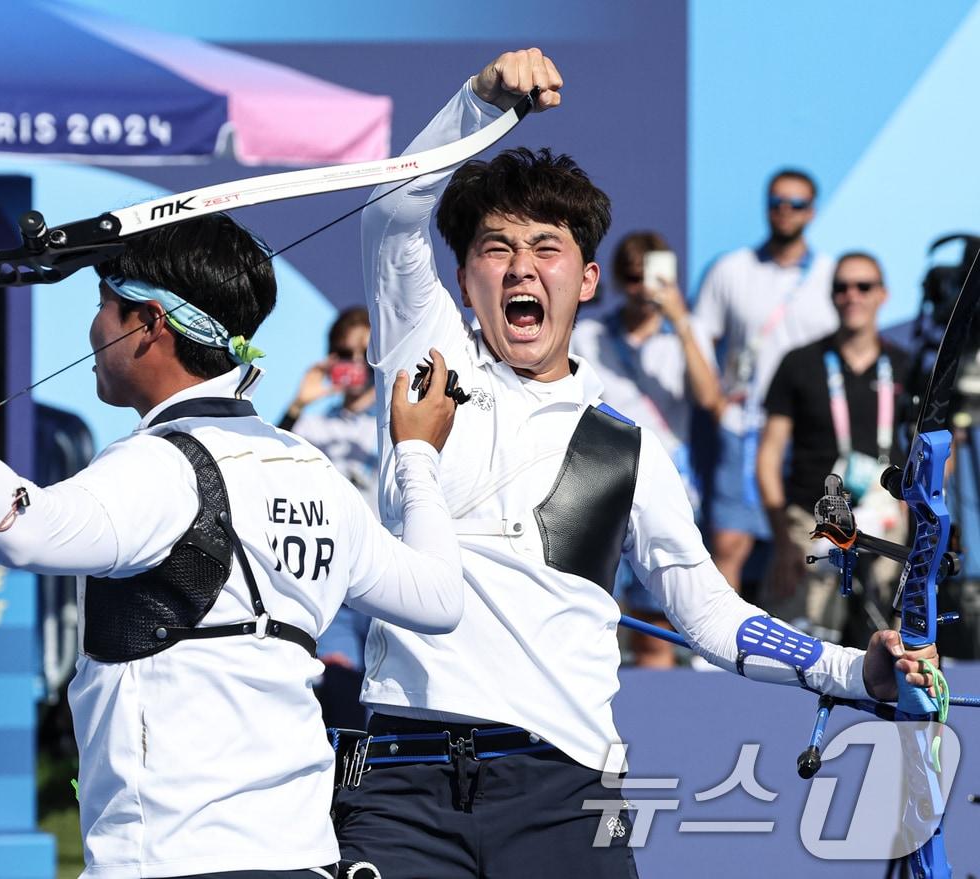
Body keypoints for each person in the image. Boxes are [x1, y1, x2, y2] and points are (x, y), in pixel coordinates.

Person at [337, 48, 940, 879]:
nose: (519, 267)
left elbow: (706, 611)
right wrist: (478, 102)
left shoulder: (628, 442)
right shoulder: (426, 350)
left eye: (545, 248)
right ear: (464, 276)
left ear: (586, 280)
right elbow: (390, 211)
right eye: (495, 247)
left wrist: (851, 669)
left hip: (565, 787)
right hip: (403, 780)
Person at [0, 213, 468, 879]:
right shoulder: (312, 471)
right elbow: (440, 598)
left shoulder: (160, 466)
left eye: (104, 305)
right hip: (301, 857)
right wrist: (417, 453)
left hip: (173, 859)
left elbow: (23, 527)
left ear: (150, 323)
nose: (95, 328)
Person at [571, 231, 722, 667]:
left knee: (654, 628)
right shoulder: (590, 334)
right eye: (632, 277)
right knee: (590, 618)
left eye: (651, 277)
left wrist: (682, 323)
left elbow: (711, 400)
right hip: (595, 484)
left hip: (663, 484)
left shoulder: (684, 339)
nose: (642, 289)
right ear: (615, 280)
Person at [694, 168, 837, 591]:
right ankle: (717, 654)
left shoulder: (832, 276)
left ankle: (797, 649)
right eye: (776, 202)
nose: (784, 212)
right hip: (746, 425)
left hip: (806, 430)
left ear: (812, 211)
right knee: (729, 543)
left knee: (806, 542)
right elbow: (701, 334)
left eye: (796, 204)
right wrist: (717, 401)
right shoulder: (731, 269)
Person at [758, 252, 911, 644]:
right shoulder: (800, 363)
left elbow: (937, 456)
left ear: (883, 295)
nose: (852, 296)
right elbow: (768, 457)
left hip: (885, 522)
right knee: (798, 647)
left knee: (888, 646)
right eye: (841, 287)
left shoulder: (906, 366)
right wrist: (781, 540)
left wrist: (911, 509)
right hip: (810, 524)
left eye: (863, 287)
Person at [280, 307, 379, 726]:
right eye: (344, 353)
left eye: (367, 353)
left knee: (387, 708)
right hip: (333, 589)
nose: (355, 364)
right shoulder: (312, 426)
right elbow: (269, 475)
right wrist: (300, 402)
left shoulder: (401, 421)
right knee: (342, 705)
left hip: (389, 585)